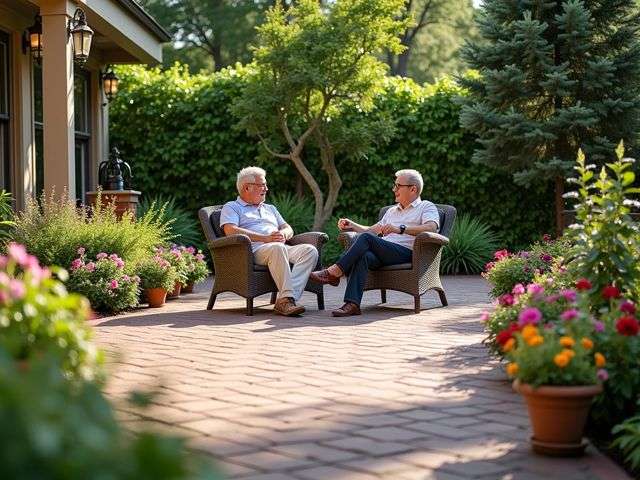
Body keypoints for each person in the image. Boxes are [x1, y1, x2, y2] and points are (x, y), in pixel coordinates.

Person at [310, 169, 439, 317]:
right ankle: (352, 304)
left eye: (398, 186)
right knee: (363, 256)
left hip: (408, 252)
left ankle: (334, 272)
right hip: (386, 252)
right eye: (394, 186)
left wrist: (401, 229)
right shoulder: (392, 211)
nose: (394, 189)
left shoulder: (426, 206)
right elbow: (372, 231)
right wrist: (352, 225)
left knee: (365, 239)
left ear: (413, 189)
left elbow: (432, 227)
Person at [220, 167, 318, 316]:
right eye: (262, 185)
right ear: (247, 187)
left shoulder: (270, 208)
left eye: (265, 185)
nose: (266, 188)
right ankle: (286, 301)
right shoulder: (232, 207)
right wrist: (264, 238)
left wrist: (283, 234)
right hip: (254, 251)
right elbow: (230, 230)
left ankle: (285, 300)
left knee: (310, 251)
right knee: (277, 249)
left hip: (280, 246)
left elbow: (287, 227)